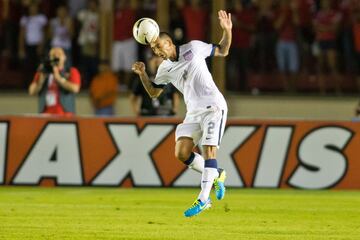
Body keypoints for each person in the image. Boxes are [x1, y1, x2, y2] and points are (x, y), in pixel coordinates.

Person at [132, 10, 232, 217]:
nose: (156, 51)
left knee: (209, 150)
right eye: (153, 48)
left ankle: (204, 199)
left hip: (214, 106)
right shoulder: (164, 69)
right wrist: (143, 74)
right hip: (193, 112)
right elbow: (153, 93)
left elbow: (222, 50)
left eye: (158, 46)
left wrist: (227, 31)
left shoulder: (194, 48)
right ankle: (218, 174)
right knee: (181, 153)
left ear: (169, 43)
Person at [28, 47, 81, 116]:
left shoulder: (71, 71)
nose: (56, 56)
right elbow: (31, 91)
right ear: (49, 58)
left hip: (65, 114)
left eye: (59, 54)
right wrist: (41, 81)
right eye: (53, 55)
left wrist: (58, 78)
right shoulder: (43, 71)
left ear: (64, 57)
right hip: (45, 113)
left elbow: (75, 89)